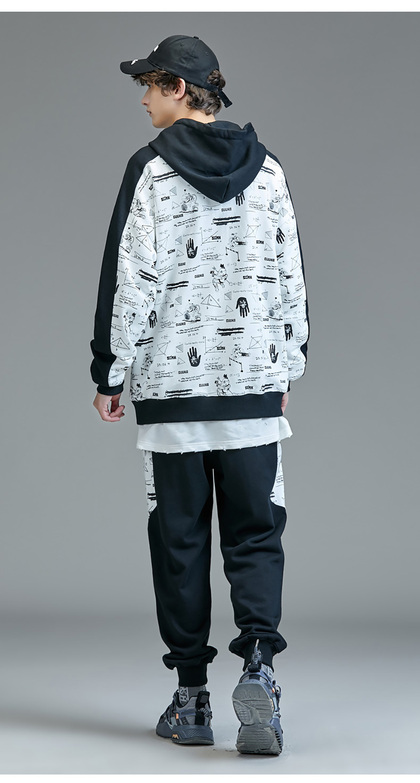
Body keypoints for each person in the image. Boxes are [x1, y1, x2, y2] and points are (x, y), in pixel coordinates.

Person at [90, 34, 310, 756]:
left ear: (179, 89)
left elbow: (130, 277)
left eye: (150, 86)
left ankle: (191, 699)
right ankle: (260, 669)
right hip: (253, 393)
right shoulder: (270, 170)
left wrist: (109, 372)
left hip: (173, 400)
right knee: (257, 536)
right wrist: (286, 367)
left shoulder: (150, 170)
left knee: (179, 541)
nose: (143, 101)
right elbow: (290, 275)